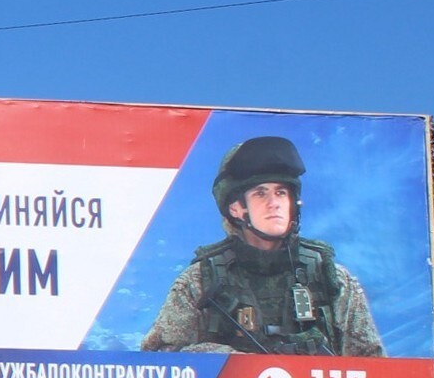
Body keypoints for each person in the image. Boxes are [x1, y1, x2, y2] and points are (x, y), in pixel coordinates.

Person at [142, 135, 385, 356]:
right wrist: (220, 361)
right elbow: (158, 360)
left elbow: (375, 369)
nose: (274, 203)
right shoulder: (202, 280)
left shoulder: (331, 278)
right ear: (236, 208)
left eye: (281, 193)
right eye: (261, 193)